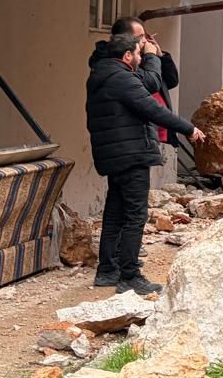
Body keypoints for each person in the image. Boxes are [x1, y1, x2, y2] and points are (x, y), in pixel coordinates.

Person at [85, 34, 203, 295]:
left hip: (115, 156)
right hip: (132, 154)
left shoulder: (103, 75)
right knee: (135, 215)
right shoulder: (121, 78)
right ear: (127, 56)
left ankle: (107, 270)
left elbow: (149, 83)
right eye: (138, 53)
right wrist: (188, 128)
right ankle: (130, 275)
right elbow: (154, 109)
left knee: (115, 213)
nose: (140, 58)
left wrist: (151, 55)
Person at [90, 15, 179, 146]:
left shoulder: (139, 56)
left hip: (148, 131)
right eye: (140, 37)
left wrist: (161, 56)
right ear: (125, 39)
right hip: (129, 136)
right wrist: (151, 56)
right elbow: (151, 83)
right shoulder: (120, 61)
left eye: (145, 36)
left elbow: (170, 81)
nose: (145, 41)